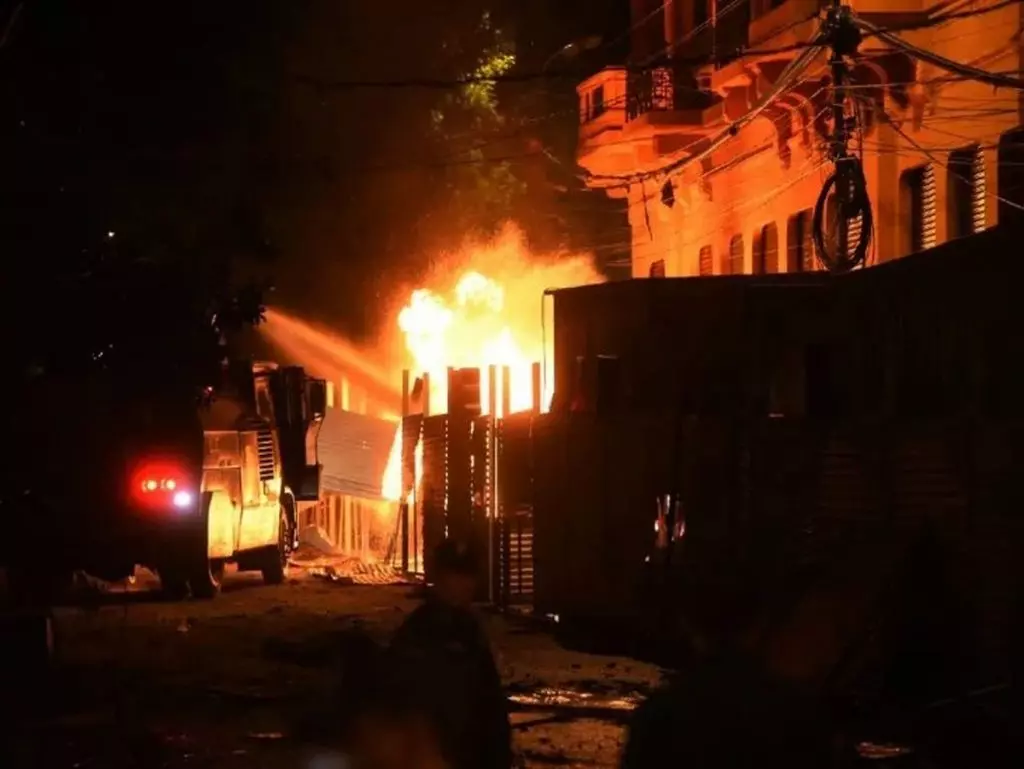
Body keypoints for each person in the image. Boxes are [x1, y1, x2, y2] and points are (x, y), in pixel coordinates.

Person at [385, 538, 513, 769]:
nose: (463, 585)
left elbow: (490, 703)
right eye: (455, 576)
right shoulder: (418, 632)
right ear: (439, 580)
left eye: (467, 577)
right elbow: (399, 705)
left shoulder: (472, 632)